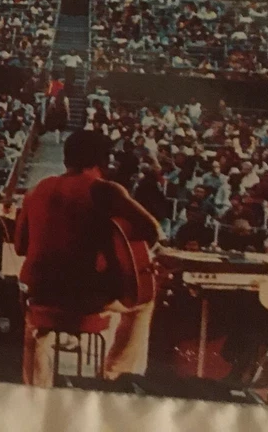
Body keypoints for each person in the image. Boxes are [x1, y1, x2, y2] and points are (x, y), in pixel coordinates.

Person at [14, 129, 162, 388]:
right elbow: (152, 230)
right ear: (102, 160)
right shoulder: (106, 190)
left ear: (66, 159)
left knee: (35, 322)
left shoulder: (35, 190)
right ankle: (117, 375)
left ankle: (35, 387)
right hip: (83, 298)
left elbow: (20, 246)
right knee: (143, 302)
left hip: (38, 294)